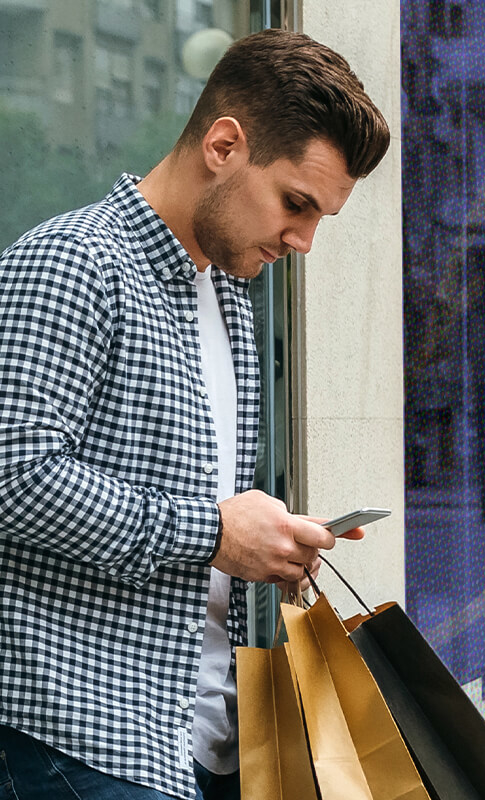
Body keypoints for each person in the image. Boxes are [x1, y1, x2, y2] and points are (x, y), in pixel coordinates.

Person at [0, 28, 390, 800]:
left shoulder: (229, 301)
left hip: (203, 737)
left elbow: (193, 508)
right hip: (77, 739)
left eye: (320, 219)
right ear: (223, 145)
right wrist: (214, 533)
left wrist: (273, 541)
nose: (304, 241)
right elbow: (14, 476)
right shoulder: (72, 262)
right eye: (295, 204)